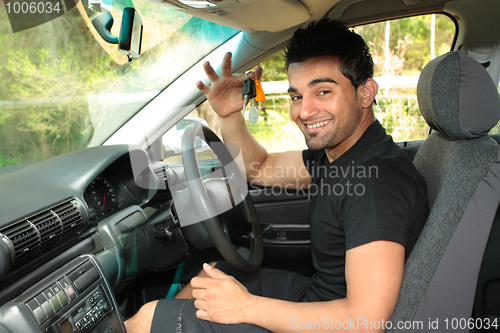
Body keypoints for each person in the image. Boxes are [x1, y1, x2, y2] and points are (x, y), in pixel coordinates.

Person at [125, 18, 428, 333]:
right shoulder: (343, 155)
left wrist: (245, 307)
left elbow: (364, 321)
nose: (305, 111)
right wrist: (229, 114)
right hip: (319, 298)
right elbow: (259, 166)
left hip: (336, 321)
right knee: (210, 277)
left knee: (149, 319)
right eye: (297, 96)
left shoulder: (375, 184)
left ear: (366, 93)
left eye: (323, 91)